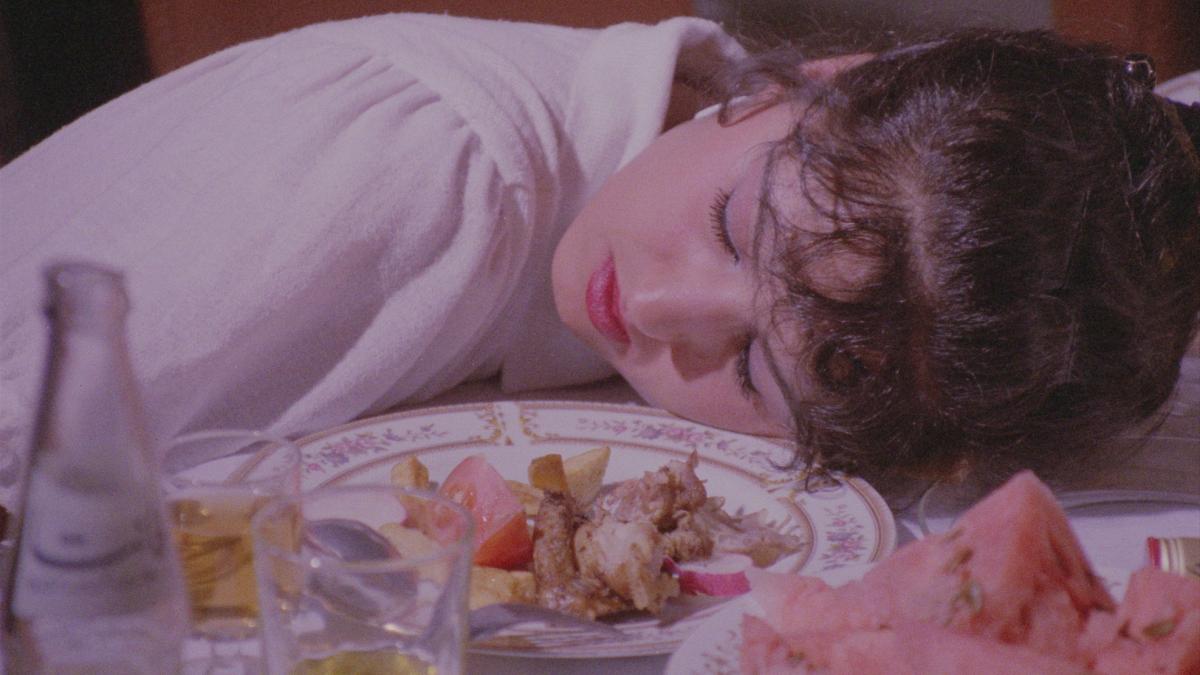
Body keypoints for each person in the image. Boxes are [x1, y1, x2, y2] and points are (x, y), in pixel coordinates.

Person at [1, 13, 1197, 494]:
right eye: (736, 227)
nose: (660, 309)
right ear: (829, 81)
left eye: (745, 369)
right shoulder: (432, 173)